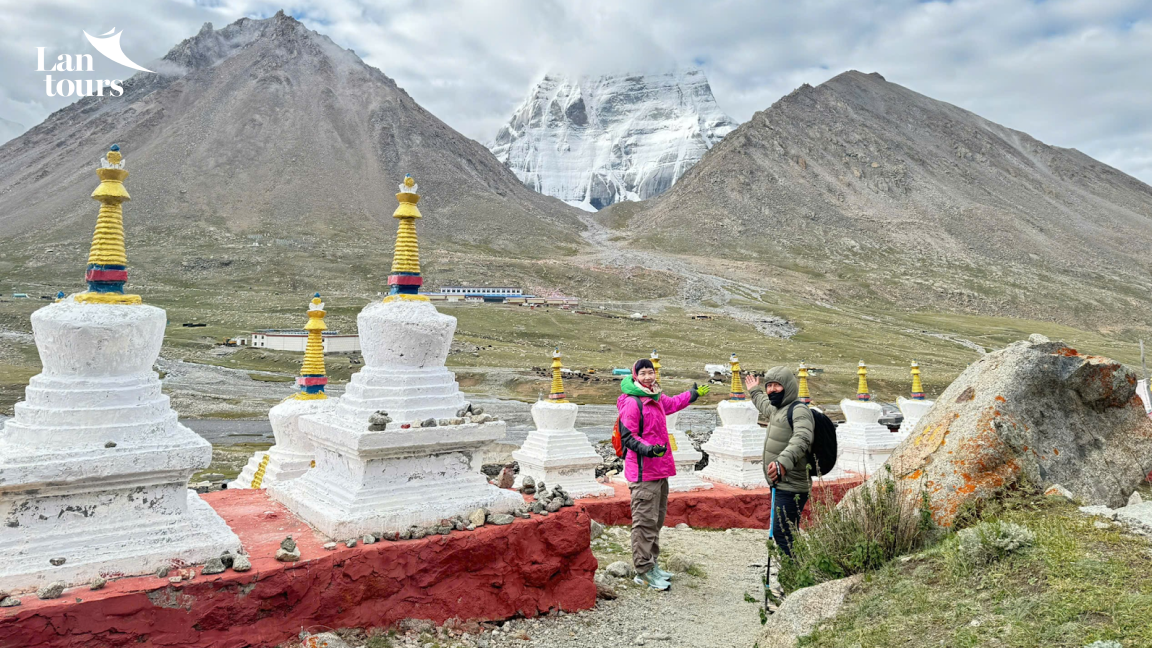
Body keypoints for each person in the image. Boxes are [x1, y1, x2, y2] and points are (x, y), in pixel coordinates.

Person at [617, 358, 710, 590]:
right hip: (643, 472)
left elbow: (674, 403)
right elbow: (628, 436)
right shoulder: (633, 402)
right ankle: (643, 570)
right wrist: (648, 449)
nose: (648, 377)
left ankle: (652, 564)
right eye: (643, 373)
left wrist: (693, 394)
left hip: (660, 470)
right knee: (644, 523)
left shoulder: (656, 398)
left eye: (651, 372)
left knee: (655, 521)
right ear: (635, 376)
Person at [745, 367, 815, 559]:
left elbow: (803, 437)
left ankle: (799, 579)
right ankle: (798, 576)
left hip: (792, 484)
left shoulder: (799, 410)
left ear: (788, 387)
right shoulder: (777, 409)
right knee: (787, 533)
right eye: (769, 386)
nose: (772, 390)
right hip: (780, 482)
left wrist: (783, 462)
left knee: (783, 533)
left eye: (777, 385)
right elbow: (763, 404)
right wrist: (755, 390)